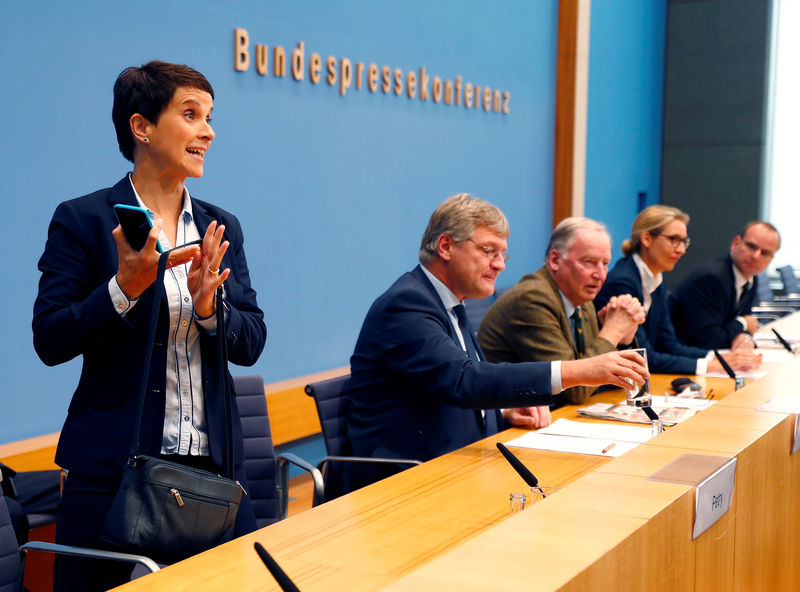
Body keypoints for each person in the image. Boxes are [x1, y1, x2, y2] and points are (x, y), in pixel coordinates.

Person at [32, 61, 266, 591]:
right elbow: (49, 337)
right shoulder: (84, 219)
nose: (207, 131)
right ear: (142, 127)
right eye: (190, 114)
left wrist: (211, 311)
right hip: (114, 476)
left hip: (214, 473)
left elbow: (252, 341)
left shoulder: (219, 225)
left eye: (209, 117)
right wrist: (125, 288)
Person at [345, 194, 649, 488]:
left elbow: (445, 385)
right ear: (446, 246)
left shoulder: (449, 302)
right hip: (401, 481)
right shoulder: (407, 305)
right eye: (489, 251)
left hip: (453, 466)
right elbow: (464, 380)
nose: (500, 265)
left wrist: (502, 414)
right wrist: (580, 371)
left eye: (503, 254)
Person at [478, 217, 645, 405]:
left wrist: (624, 338)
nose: (600, 274)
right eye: (589, 261)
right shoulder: (532, 298)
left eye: (605, 263)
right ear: (555, 259)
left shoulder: (582, 298)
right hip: (510, 422)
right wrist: (612, 331)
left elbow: (606, 382)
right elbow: (576, 390)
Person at [595, 205, 761, 375]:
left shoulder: (655, 279)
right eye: (674, 239)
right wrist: (710, 365)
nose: (681, 250)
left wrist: (719, 357)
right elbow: (643, 358)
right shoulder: (623, 282)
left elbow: (668, 344)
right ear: (646, 239)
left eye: (684, 242)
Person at [668, 221, 781, 350]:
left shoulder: (751, 278)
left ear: (771, 259)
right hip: (681, 358)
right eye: (751, 247)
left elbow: (741, 326)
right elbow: (709, 340)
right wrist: (743, 324)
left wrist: (745, 337)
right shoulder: (712, 278)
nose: (756, 256)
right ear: (736, 243)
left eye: (765, 253)